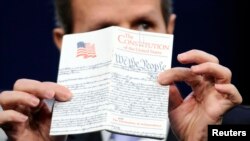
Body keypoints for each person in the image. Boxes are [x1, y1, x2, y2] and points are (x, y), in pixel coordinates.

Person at [0, 0, 246, 141]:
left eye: (143, 25)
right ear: (65, 43)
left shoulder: (234, 127)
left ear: (168, 29)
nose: (126, 42)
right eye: (104, 29)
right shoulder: (27, 134)